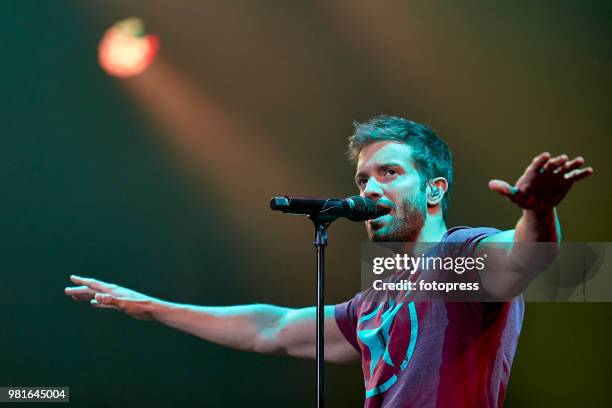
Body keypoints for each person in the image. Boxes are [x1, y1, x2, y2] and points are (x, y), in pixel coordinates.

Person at [65, 115, 593, 407]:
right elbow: (272, 328)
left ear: (434, 190)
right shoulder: (379, 293)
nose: (368, 187)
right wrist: (155, 307)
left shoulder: (461, 256)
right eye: (363, 178)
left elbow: (526, 257)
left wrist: (540, 213)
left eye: (389, 173)